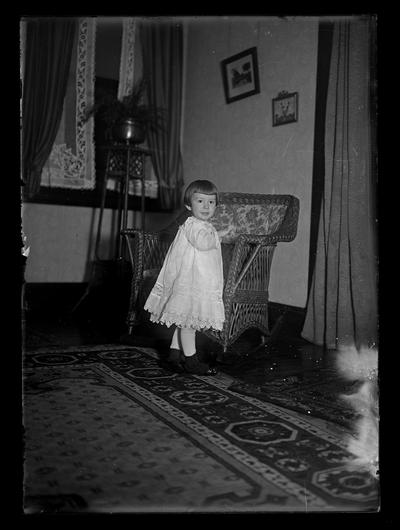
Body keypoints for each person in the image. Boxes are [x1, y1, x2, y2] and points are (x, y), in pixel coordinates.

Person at [144, 180, 232, 375]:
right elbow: (202, 242)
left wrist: (219, 233)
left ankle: (173, 356)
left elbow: (205, 239)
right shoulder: (193, 224)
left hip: (196, 281)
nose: (206, 206)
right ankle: (192, 361)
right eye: (200, 201)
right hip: (191, 283)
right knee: (189, 324)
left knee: (184, 321)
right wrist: (218, 237)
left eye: (211, 202)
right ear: (188, 206)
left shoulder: (203, 225)